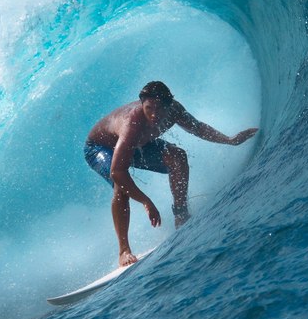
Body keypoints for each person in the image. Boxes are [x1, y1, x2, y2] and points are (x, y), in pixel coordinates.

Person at [84, 81, 258, 266]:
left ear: (168, 105)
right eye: (148, 108)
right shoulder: (132, 122)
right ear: (142, 104)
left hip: (135, 145)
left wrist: (229, 140)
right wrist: (146, 201)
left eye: (158, 109)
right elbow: (117, 171)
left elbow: (197, 128)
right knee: (121, 185)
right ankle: (124, 251)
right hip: (100, 148)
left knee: (178, 157)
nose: (153, 114)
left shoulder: (174, 111)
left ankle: (181, 215)